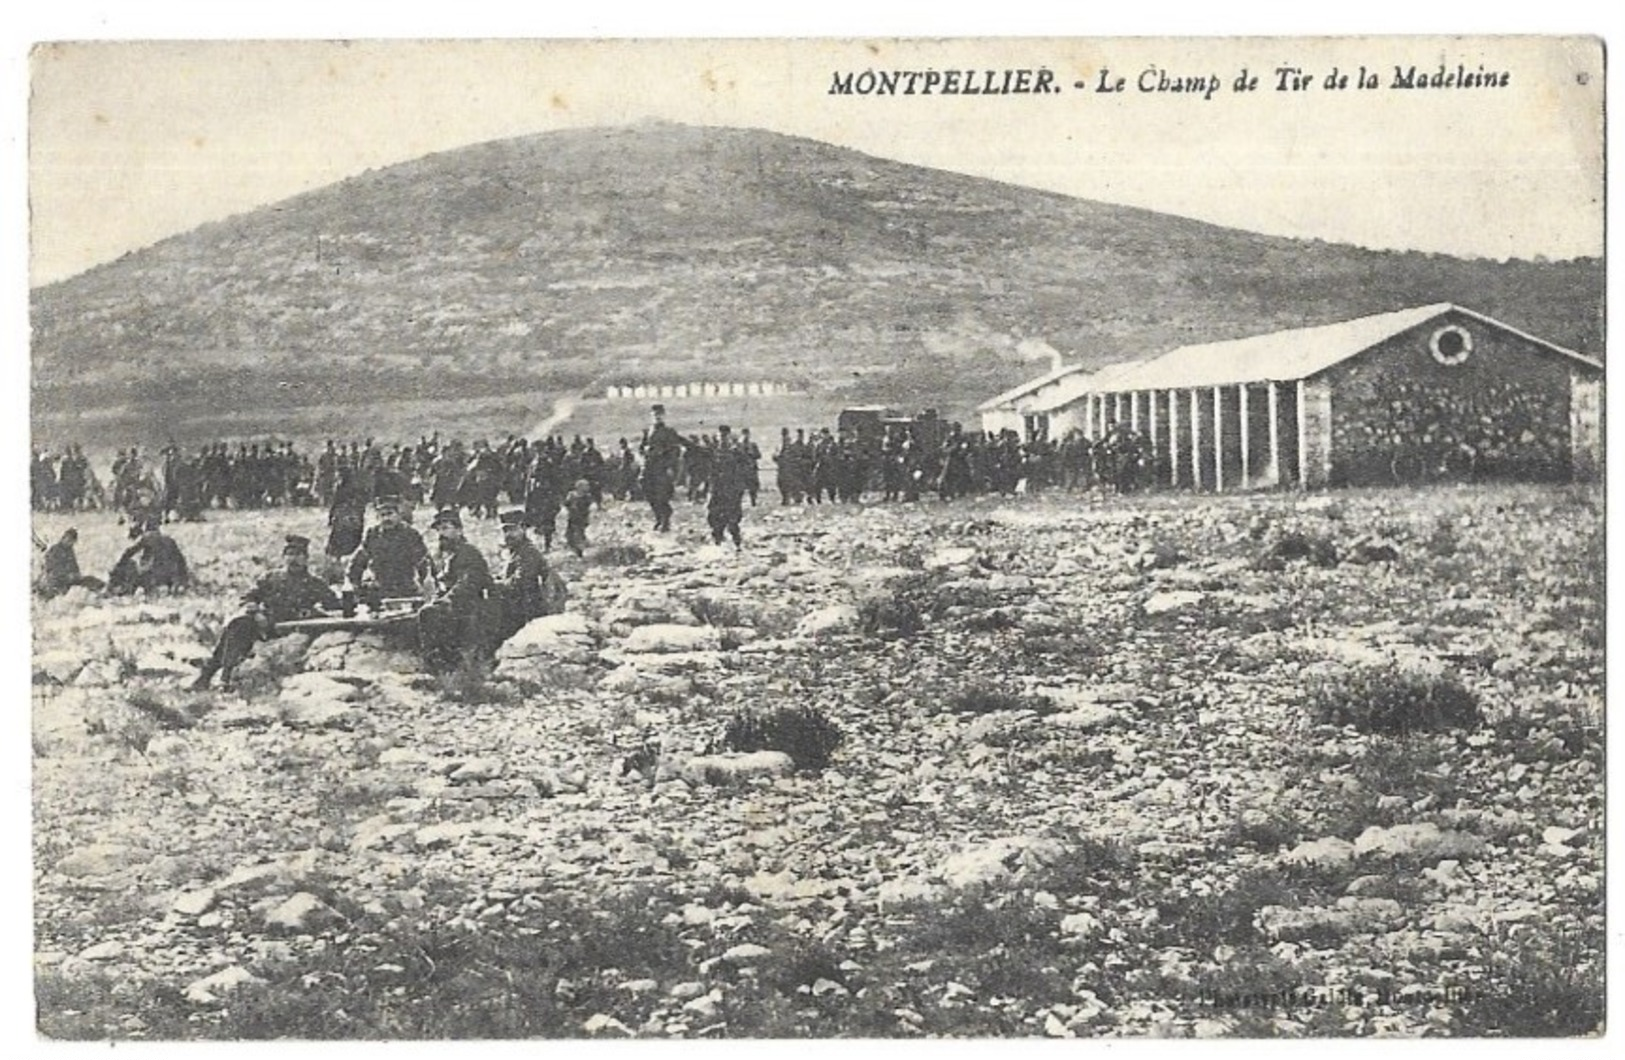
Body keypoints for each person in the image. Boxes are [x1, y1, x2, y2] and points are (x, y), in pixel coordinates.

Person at [190, 534, 340, 690]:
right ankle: (222, 675)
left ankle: (211, 673)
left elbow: (334, 606)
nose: (293, 559)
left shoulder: (315, 583)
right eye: (289, 555)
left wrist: (313, 612)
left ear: (306, 558)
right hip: (266, 624)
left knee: (239, 628)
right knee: (239, 625)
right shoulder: (271, 577)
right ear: (283, 557)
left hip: (292, 628)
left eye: (298, 555)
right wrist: (256, 612)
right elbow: (248, 597)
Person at [416, 507, 500, 673]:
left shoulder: (469, 553)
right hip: (452, 604)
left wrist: (447, 599)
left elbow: (467, 584)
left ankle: (437, 666)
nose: (441, 534)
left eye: (446, 528)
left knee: (428, 614)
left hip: (472, 606)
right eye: (439, 529)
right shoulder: (441, 554)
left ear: (460, 531)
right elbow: (426, 574)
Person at [346, 495, 430, 600]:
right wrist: (354, 583)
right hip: (379, 586)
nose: (386, 518)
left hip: (405, 586)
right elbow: (359, 561)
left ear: (399, 515)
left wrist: (424, 584)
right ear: (378, 517)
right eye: (382, 515)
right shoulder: (373, 534)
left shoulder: (410, 534)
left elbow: (423, 562)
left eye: (390, 514)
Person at [494, 509, 553, 644]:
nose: (508, 534)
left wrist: (494, 585)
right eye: (505, 531)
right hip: (515, 605)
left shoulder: (528, 552)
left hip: (526, 609)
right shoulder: (516, 551)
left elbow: (520, 581)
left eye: (512, 529)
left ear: (523, 528)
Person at [107, 521, 191, 595]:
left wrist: (118, 565)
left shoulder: (147, 538)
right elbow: (181, 560)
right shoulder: (169, 540)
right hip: (170, 575)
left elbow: (129, 552)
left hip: (156, 574)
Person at [640, 404, 684, 532]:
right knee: (647, 490)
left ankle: (665, 520)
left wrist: (670, 466)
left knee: (662, 494)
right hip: (649, 466)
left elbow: (675, 451)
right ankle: (659, 516)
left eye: (659, 415)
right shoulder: (647, 431)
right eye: (654, 415)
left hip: (662, 467)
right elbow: (641, 448)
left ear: (664, 416)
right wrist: (644, 452)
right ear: (651, 416)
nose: (657, 417)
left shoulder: (669, 432)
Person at [707, 426, 748, 548]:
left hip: (732, 491)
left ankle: (737, 545)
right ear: (717, 437)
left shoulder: (735, 453)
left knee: (733, 521)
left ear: (729, 438)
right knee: (714, 518)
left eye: (725, 437)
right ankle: (718, 543)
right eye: (721, 437)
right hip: (717, 490)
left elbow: (746, 465)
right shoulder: (713, 452)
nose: (723, 440)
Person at [36, 528, 105, 598]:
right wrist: (67, 576)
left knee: (91, 580)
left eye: (72, 541)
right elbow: (51, 570)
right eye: (68, 540)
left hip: (70, 580)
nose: (70, 543)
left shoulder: (69, 550)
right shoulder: (54, 550)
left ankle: (102, 594)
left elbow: (74, 566)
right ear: (63, 538)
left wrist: (76, 574)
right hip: (57, 582)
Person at [564, 479, 593, 557]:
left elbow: (588, 506)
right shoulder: (572, 494)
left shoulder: (587, 496)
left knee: (578, 533)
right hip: (573, 517)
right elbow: (566, 503)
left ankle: (579, 550)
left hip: (581, 517)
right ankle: (575, 548)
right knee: (570, 534)